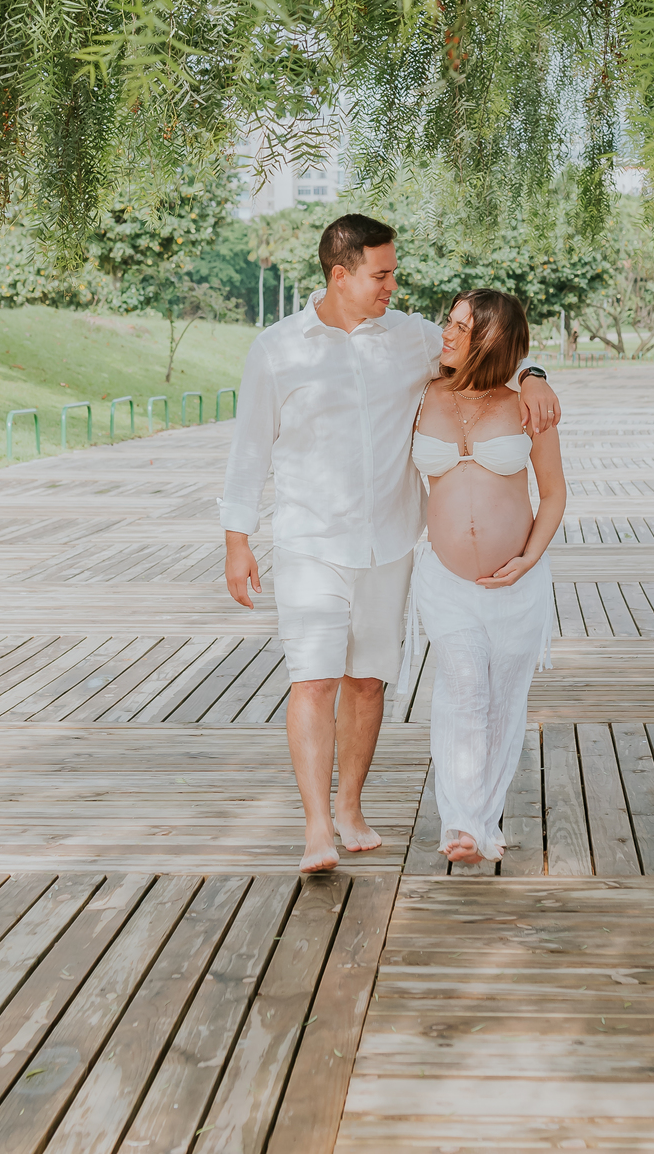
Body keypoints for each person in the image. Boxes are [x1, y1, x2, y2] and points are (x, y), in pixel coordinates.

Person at [220, 214, 560, 874]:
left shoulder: (411, 339)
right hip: (310, 541)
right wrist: (237, 540)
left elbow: (489, 346)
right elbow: (248, 450)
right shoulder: (277, 349)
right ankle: (317, 828)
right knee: (313, 679)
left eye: (393, 272)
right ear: (339, 275)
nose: (393, 285)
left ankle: (350, 809)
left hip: (391, 543)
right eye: (381, 274)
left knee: (368, 684)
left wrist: (536, 373)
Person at [409, 289, 565, 865]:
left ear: (491, 340)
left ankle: (483, 823)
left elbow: (554, 493)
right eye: (448, 322)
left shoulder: (527, 407)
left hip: (516, 584)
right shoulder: (421, 393)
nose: (446, 334)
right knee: (465, 687)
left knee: (504, 702)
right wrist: (535, 370)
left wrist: (529, 558)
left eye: (462, 327)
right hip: (445, 580)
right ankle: (461, 824)